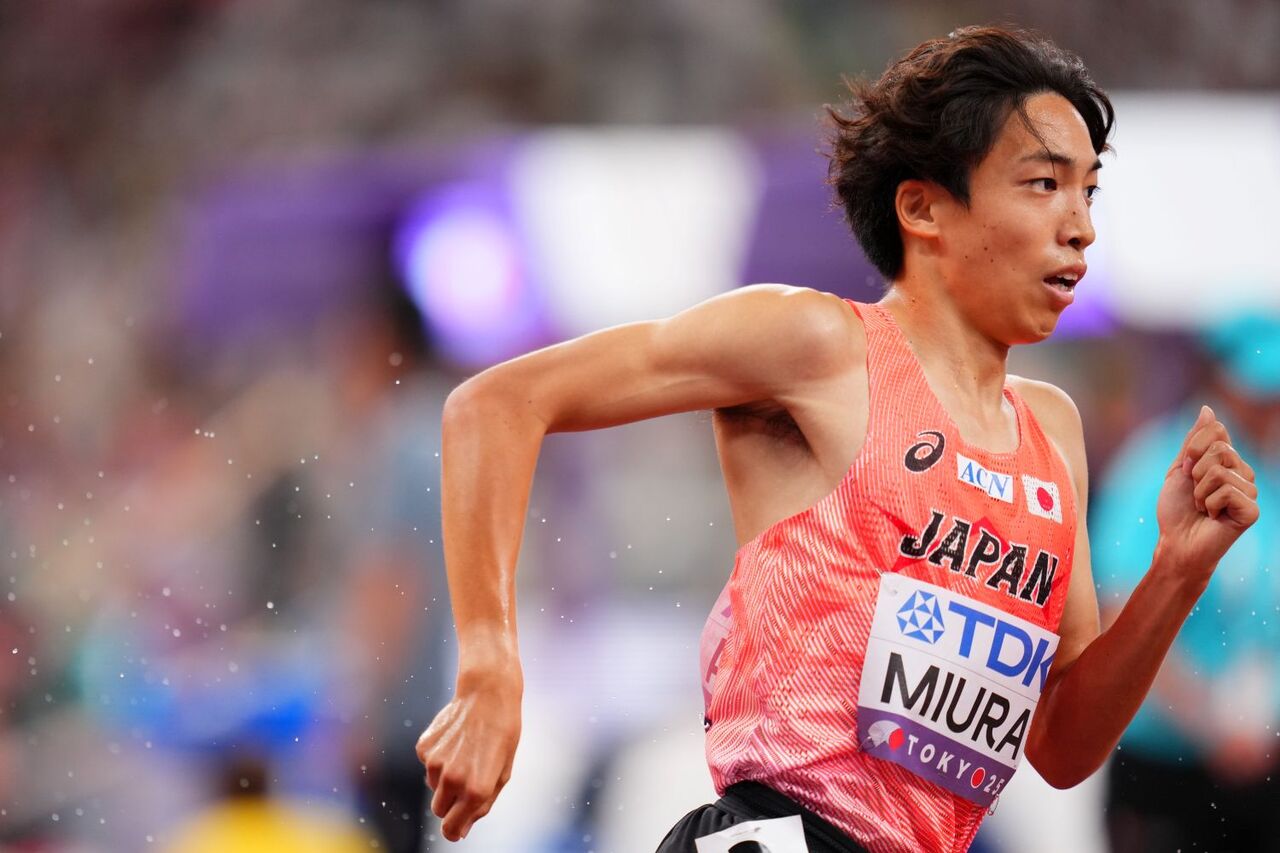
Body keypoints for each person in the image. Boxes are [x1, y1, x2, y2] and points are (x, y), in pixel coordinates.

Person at [414, 25, 1261, 851]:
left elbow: (1063, 747)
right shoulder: (818, 345)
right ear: (923, 207)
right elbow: (497, 403)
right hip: (779, 832)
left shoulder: (1052, 429)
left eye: (1088, 192)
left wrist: (1177, 572)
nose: (1080, 226)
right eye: (1043, 184)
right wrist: (490, 665)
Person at [1092, 315, 1280, 852]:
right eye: (1258, 392)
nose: (1269, 406)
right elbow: (1121, 612)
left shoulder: (1269, 468)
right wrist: (1213, 726)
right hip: (1167, 763)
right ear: (1218, 379)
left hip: (1260, 756)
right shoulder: (1158, 468)